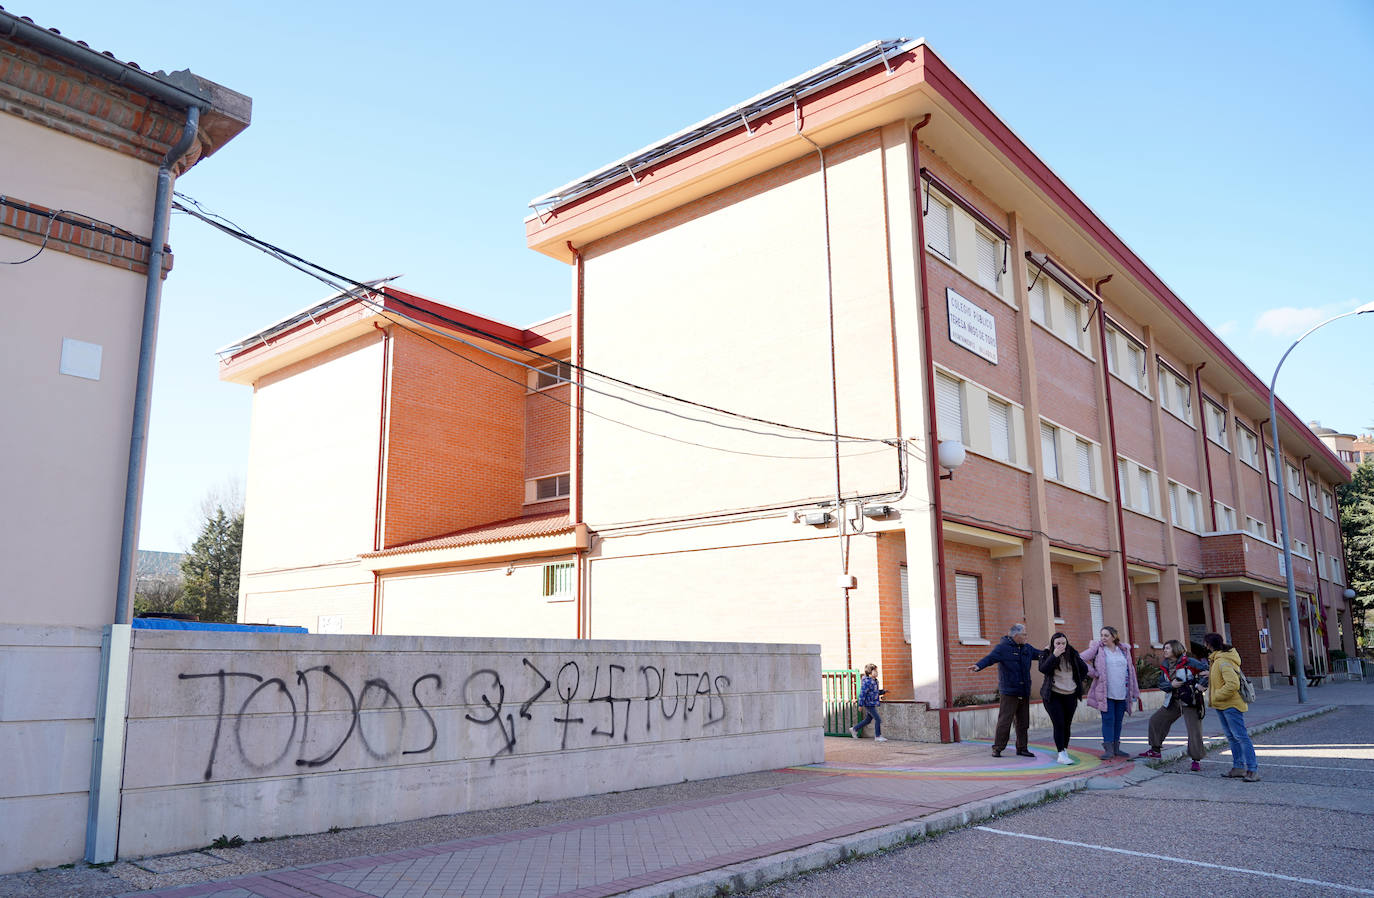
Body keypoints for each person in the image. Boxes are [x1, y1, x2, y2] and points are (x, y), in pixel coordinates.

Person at [969, 624, 1044, 758]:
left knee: (1023, 722)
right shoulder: (1002, 648)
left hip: (1024, 690)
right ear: (1016, 635)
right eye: (1024, 634)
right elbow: (990, 658)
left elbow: (1040, 655)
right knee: (1005, 721)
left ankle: (1022, 748)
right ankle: (997, 748)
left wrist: (1052, 652)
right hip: (1009, 691)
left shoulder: (1027, 648)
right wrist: (978, 665)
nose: (1026, 637)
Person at [1138, 639, 1208, 771]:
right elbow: (1161, 684)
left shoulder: (1189, 662)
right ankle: (1155, 750)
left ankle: (1196, 760)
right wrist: (1171, 685)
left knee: (1194, 730)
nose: (1164, 650)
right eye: (1164, 648)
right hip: (1173, 700)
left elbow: (1208, 672)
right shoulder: (1165, 665)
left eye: (1167, 648)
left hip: (1190, 700)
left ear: (1176, 649)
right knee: (1156, 720)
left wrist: (1200, 686)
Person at [1204, 632, 1259, 782]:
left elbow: (1232, 684)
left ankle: (1252, 770)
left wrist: (1216, 696)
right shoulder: (1217, 660)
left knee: (1241, 737)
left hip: (1231, 705)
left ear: (1209, 645)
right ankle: (1238, 767)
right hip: (1222, 704)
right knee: (1232, 737)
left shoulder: (1223, 661)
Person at [1081, 625, 1140, 760]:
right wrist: (1094, 673)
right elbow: (1080, 659)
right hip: (1106, 692)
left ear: (1114, 636)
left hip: (1121, 692)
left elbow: (1130, 670)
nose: (1103, 638)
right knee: (1108, 720)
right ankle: (1108, 749)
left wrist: (1134, 690)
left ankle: (1116, 748)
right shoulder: (1098, 649)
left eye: (1106, 635)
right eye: (1101, 635)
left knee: (1118, 720)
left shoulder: (1124, 650)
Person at [1038, 632, 1089, 765]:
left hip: (1070, 695)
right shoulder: (1047, 653)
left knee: (1067, 724)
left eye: (1063, 643)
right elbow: (1043, 669)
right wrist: (1054, 655)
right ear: (1053, 644)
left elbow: (1083, 669)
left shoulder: (1072, 653)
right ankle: (1061, 753)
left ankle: (1064, 750)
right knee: (1059, 723)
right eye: (1058, 643)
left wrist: (1077, 681)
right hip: (1053, 695)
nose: (1061, 646)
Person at [849, 663, 888, 742]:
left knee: (868, 720)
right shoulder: (867, 682)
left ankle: (854, 729)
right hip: (868, 704)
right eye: (875, 671)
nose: (877, 672)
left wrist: (883, 692)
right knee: (878, 719)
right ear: (870, 672)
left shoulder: (874, 681)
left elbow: (875, 692)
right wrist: (860, 704)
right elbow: (862, 693)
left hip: (872, 703)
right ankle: (878, 736)